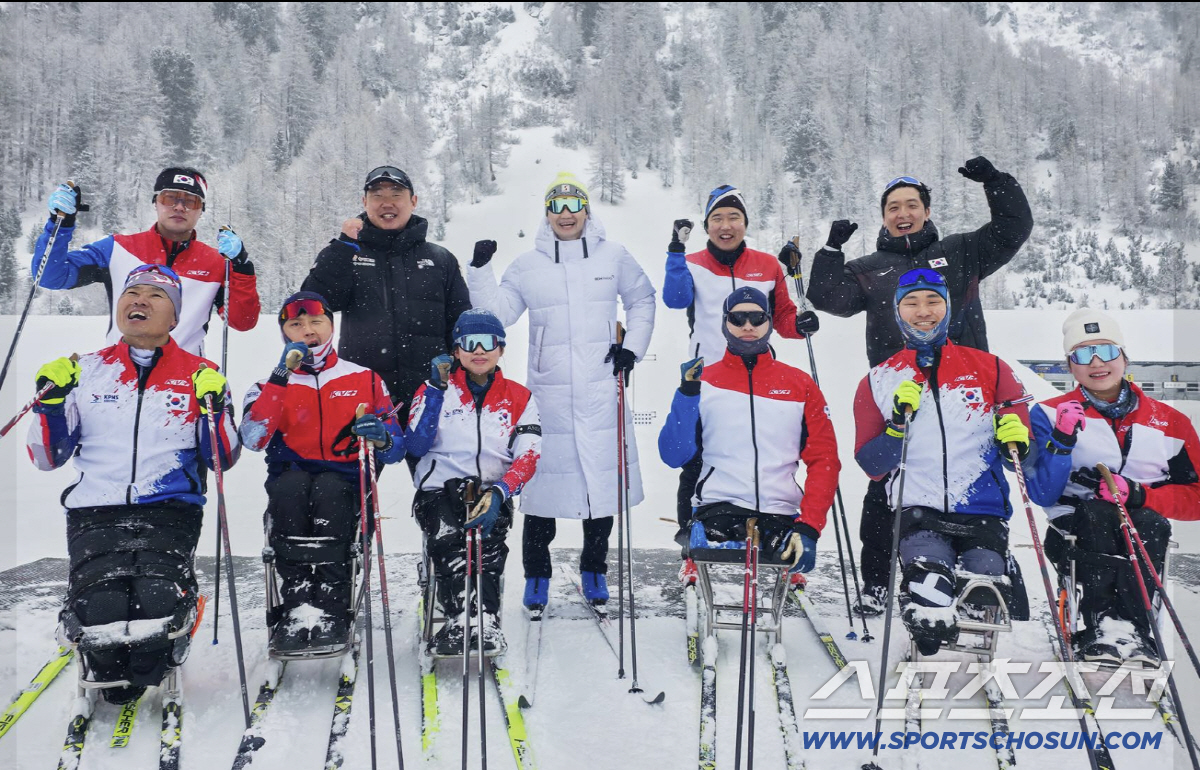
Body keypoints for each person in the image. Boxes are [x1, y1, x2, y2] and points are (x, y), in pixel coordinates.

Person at [807, 157, 1034, 616]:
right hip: (900, 391)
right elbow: (827, 297)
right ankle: (876, 584)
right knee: (884, 492)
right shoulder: (870, 269)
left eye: (912, 204)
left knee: (972, 480)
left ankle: (985, 564)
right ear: (884, 215)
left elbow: (1013, 229)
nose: (902, 212)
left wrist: (996, 182)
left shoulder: (963, 250)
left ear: (927, 211)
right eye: (893, 206)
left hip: (966, 387)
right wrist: (831, 250)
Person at [27, 264, 239, 703]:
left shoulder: (200, 372)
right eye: (132, 292)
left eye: (156, 296)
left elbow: (224, 457)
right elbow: (48, 458)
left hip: (169, 507)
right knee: (101, 616)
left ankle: (175, 618)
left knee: (154, 616)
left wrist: (213, 408)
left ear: (176, 317)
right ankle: (102, 643)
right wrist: (49, 403)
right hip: (95, 509)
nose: (139, 301)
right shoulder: (86, 370)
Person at [467, 171, 656, 611]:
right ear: (547, 214)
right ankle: (537, 576)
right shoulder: (528, 264)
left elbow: (643, 299)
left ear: (587, 210)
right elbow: (497, 313)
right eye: (557, 206)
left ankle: (594, 570)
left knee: (600, 489)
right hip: (548, 393)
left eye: (574, 206)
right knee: (542, 491)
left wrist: (632, 348)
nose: (566, 215)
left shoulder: (613, 256)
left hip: (599, 389)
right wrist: (479, 271)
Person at [851, 269, 1035, 655]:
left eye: (933, 300)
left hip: (982, 509)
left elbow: (1022, 456)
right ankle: (924, 613)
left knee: (981, 590)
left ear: (948, 308)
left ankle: (996, 569)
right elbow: (872, 465)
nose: (923, 311)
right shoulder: (879, 380)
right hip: (918, 511)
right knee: (929, 597)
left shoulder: (993, 369)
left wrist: (1017, 441)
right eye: (912, 303)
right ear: (898, 312)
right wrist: (897, 427)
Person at [1026, 309, 1200, 665]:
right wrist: (1062, 440)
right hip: (1074, 529)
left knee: (1148, 522)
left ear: (1123, 357)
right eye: (1081, 354)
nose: (1095, 363)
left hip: (1141, 528)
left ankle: (1134, 628)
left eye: (1105, 351)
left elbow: (1196, 497)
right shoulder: (1048, 413)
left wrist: (1141, 495)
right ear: (1069, 365)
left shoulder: (1169, 422)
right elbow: (1042, 492)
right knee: (1096, 514)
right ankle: (1102, 624)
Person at [239, 292, 405, 654]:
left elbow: (397, 448)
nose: (307, 330)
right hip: (290, 477)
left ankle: (332, 603)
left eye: (316, 322)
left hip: (345, 477)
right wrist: (281, 376)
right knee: (292, 490)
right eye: (295, 323)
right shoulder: (267, 384)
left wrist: (382, 438)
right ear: (283, 330)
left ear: (332, 326)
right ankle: (296, 603)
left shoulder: (364, 378)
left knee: (331, 491)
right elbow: (252, 438)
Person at [661, 185, 820, 551]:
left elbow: (781, 318)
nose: (726, 225)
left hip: (758, 374)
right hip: (705, 374)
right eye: (717, 218)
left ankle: (773, 525)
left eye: (734, 217)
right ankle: (691, 532)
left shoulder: (766, 266)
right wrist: (675, 251)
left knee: (762, 450)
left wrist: (802, 325)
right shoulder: (694, 263)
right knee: (696, 456)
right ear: (706, 225)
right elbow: (675, 299)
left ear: (745, 223)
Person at [658, 287, 838, 576]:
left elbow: (825, 459)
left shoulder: (799, 384)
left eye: (757, 318)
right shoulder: (705, 381)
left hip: (780, 511)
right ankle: (692, 556)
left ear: (769, 322)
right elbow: (672, 455)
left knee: (783, 548)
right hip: (717, 509)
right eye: (738, 318)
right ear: (724, 323)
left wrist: (810, 526)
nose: (747, 326)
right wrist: (686, 394)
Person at [407, 309, 541, 654]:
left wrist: (501, 491)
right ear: (456, 350)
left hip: (492, 488)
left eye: (487, 342)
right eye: (469, 343)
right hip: (439, 488)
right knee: (451, 537)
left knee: (486, 543)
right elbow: (417, 445)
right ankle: (456, 619)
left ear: (500, 349)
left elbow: (529, 454)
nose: (478, 351)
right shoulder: (432, 389)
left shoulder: (520, 397)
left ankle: (486, 618)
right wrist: (436, 392)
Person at [302, 166, 471, 423]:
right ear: (364, 202)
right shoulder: (347, 252)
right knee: (357, 464)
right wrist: (341, 249)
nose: (386, 203)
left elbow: (461, 327)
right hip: (363, 394)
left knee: (436, 464)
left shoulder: (440, 259)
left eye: (396, 194)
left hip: (431, 393)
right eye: (377, 195)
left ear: (413, 201)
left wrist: (460, 377)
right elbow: (311, 305)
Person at [32, 168, 261, 355]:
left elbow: (243, 321)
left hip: (186, 380)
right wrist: (60, 224)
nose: (179, 207)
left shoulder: (216, 262)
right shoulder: (117, 248)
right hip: (118, 375)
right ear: (156, 202)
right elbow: (50, 276)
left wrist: (241, 266)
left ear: (201, 211)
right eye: (170, 198)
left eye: (191, 201)